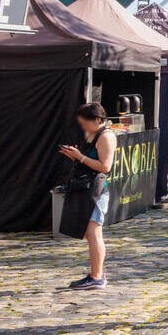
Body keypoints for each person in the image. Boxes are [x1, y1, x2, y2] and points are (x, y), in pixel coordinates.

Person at [59, 103, 117, 290]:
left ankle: (97, 277)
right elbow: (91, 161)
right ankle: (96, 273)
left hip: (97, 190)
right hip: (88, 187)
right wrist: (75, 156)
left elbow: (105, 167)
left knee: (94, 233)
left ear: (98, 120)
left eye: (85, 123)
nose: (83, 127)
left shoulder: (106, 136)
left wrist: (81, 157)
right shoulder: (94, 133)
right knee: (90, 233)